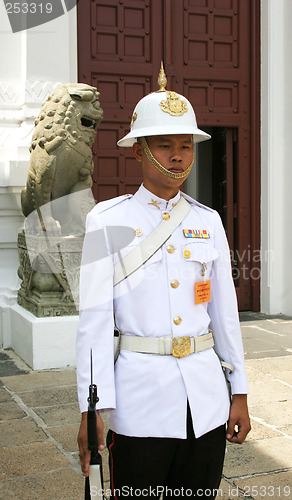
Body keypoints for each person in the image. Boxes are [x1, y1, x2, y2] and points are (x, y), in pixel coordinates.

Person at [77, 65, 251, 499]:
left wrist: (240, 391)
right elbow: (95, 321)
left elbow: (223, 313)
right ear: (138, 152)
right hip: (140, 403)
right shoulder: (107, 220)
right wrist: (91, 408)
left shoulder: (207, 221)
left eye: (186, 146)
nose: (178, 156)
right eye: (165, 145)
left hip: (205, 398)